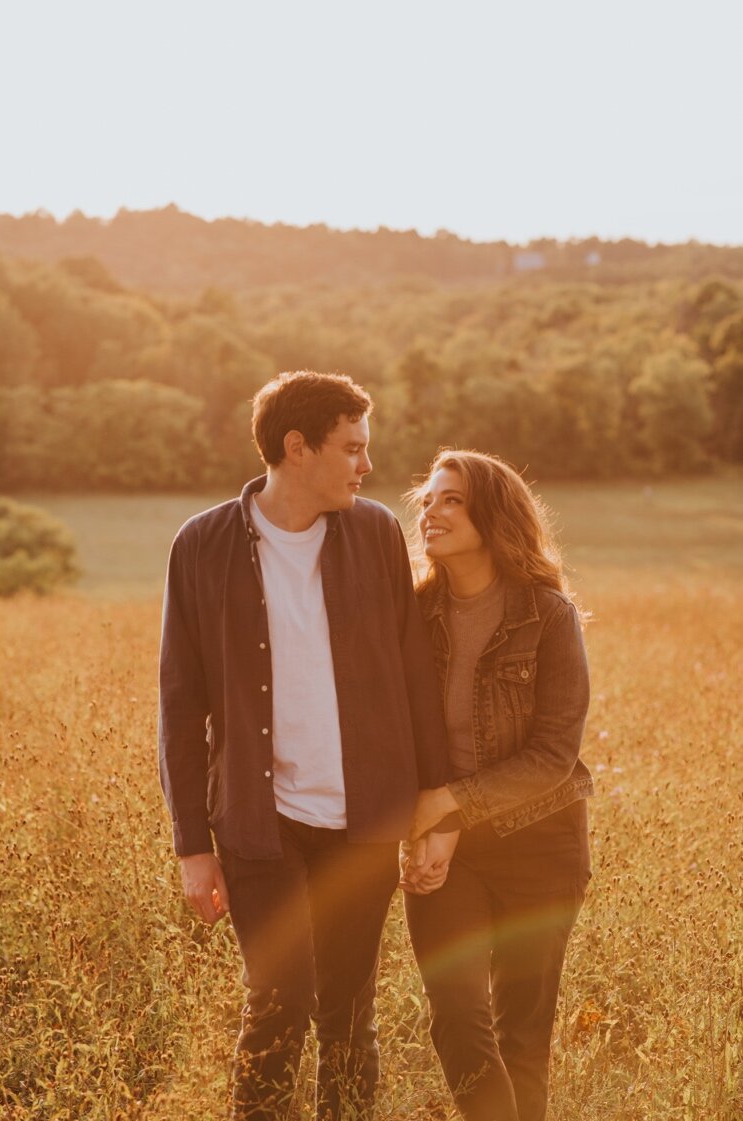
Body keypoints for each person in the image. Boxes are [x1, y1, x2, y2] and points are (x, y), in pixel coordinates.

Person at [157, 369, 454, 1121]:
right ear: (297, 447)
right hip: (261, 823)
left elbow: (415, 675)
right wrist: (193, 843)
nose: (367, 465)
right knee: (279, 1000)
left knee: (349, 1012)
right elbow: (180, 703)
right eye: (352, 447)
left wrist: (435, 811)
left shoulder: (376, 532)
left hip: (364, 821)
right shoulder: (200, 545)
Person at [401, 450, 593, 1121]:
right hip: (445, 849)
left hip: (541, 845)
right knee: (455, 1013)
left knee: (523, 1035)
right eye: (428, 499)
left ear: (494, 512)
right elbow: (398, 735)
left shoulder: (547, 616)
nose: (432, 511)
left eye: (451, 499)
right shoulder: (411, 615)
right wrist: (437, 825)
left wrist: (448, 804)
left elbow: (553, 755)